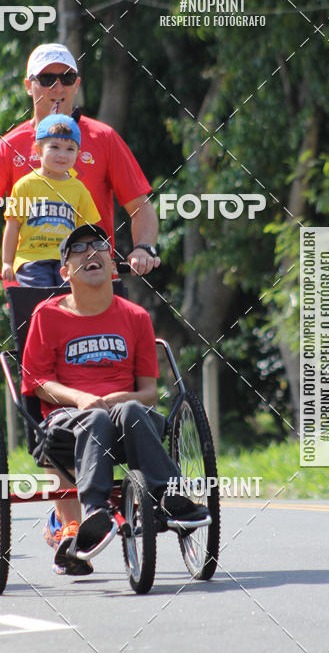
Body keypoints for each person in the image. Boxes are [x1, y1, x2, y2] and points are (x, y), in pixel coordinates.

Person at [20, 224, 210, 575]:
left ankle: (169, 495)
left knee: (132, 409)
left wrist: (113, 399)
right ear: (65, 271)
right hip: (66, 425)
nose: (91, 252)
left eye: (100, 245)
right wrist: (81, 399)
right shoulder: (47, 316)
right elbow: (37, 382)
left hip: (130, 423)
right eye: (79, 249)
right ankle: (94, 514)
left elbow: (149, 392)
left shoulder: (136, 317)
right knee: (93, 418)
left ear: (112, 265)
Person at [0, 42, 161, 291]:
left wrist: (144, 247)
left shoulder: (104, 138)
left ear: (77, 84)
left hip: (93, 282)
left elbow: (140, 206)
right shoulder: (7, 147)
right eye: (46, 79)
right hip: (33, 283)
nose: (57, 87)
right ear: (28, 86)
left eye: (66, 78)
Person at [1, 113, 100, 287]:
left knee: (70, 302)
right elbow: (13, 225)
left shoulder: (79, 190)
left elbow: (87, 232)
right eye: (54, 147)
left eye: (70, 149)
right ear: (38, 150)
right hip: (31, 259)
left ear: (78, 154)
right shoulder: (25, 186)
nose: (62, 154)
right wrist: (7, 262)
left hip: (68, 261)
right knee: (43, 300)